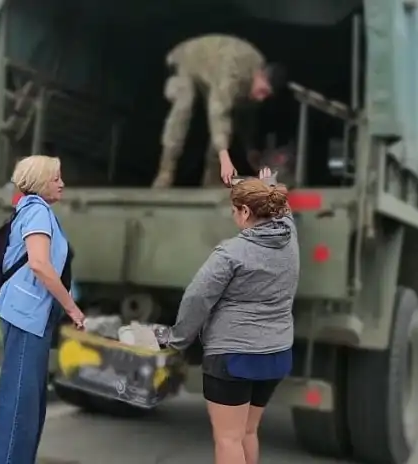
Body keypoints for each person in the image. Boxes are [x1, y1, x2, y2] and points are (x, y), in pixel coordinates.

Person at [156, 167, 296, 464]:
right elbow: (282, 202)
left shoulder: (231, 253)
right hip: (277, 352)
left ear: (245, 211)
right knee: (248, 431)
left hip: (234, 356)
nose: (234, 216)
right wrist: (267, 183)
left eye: (235, 210)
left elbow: (197, 298)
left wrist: (176, 339)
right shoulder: (289, 233)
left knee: (228, 439)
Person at [0, 155, 86, 464]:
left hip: (31, 317)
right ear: (42, 182)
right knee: (20, 404)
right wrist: (72, 308)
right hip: (27, 318)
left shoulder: (32, 210)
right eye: (56, 178)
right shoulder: (38, 213)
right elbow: (40, 265)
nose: (62, 184)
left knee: (28, 404)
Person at [151, 34, 286, 188]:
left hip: (210, 75)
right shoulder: (234, 71)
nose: (261, 98)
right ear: (260, 75)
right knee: (185, 104)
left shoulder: (253, 87)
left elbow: (241, 118)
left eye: (266, 95)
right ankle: (165, 173)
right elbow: (218, 113)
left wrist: (249, 149)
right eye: (263, 91)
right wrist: (225, 160)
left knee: (224, 131)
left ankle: (211, 181)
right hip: (184, 61)